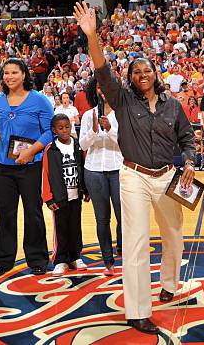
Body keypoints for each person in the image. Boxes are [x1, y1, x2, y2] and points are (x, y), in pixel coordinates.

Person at [74, 1, 196, 334]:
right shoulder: (123, 100)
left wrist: (188, 161)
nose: (142, 75)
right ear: (130, 78)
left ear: (157, 74)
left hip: (168, 178)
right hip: (134, 176)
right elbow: (102, 70)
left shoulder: (174, 105)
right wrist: (92, 35)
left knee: (173, 236)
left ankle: (169, 285)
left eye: (147, 70)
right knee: (137, 242)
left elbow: (187, 139)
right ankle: (137, 310)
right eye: (136, 71)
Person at [0, 58, 54, 277]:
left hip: (30, 165)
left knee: (32, 212)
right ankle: (4, 260)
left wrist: (31, 151)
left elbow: (49, 131)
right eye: (6, 73)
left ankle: (37, 259)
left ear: (24, 74)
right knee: (5, 213)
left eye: (14, 72)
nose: (9, 77)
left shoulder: (39, 100)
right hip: (1, 165)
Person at [79, 76, 123, 276]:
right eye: (99, 86)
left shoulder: (122, 113)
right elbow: (82, 145)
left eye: (106, 86)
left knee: (124, 216)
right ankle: (108, 261)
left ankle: (124, 252)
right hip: (94, 170)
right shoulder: (88, 116)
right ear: (94, 90)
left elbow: (126, 143)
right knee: (102, 219)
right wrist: (94, 131)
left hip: (119, 168)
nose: (102, 90)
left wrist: (109, 129)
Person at [41, 114, 90, 276]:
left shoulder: (77, 145)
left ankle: (75, 256)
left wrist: (86, 189)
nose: (64, 131)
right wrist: (48, 197)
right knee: (61, 229)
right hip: (59, 197)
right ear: (54, 130)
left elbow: (84, 168)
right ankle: (60, 259)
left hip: (76, 195)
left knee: (75, 227)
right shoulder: (51, 149)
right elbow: (46, 174)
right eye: (60, 128)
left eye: (67, 127)